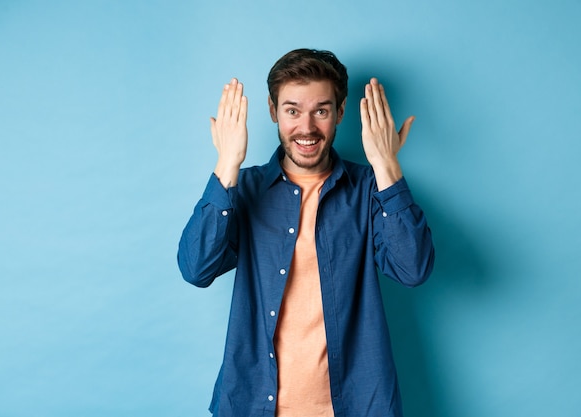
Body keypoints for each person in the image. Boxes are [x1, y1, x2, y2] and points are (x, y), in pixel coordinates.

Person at [177, 48, 435, 417]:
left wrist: (387, 166)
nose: (307, 128)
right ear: (273, 111)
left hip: (355, 405)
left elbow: (413, 269)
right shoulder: (245, 188)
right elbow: (195, 268)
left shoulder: (369, 189)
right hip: (254, 404)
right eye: (293, 110)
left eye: (321, 111)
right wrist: (226, 166)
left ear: (340, 113)